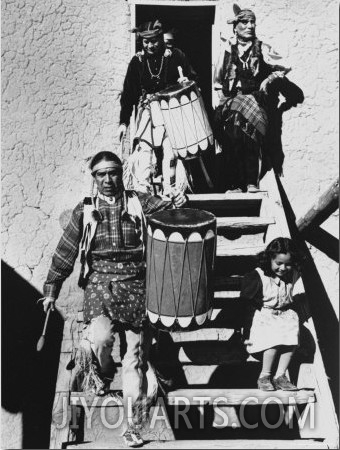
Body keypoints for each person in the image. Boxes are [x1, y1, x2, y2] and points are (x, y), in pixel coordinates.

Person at [41, 151, 187, 447]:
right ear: (93, 178)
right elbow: (65, 252)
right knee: (101, 339)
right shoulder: (84, 211)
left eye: (113, 173)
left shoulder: (139, 202)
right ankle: (103, 373)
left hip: (137, 284)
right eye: (101, 174)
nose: (108, 180)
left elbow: (169, 213)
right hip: (100, 284)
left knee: (135, 357)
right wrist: (51, 292)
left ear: (122, 174)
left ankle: (133, 426)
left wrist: (177, 204)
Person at [213, 4, 291, 193]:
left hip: (255, 102)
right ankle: (236, 185)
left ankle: (251, 182)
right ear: (236, 26)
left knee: (252, 140)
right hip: (233, 103)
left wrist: (270, 79)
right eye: (245, 22)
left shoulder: (262, 48)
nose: (250, 26)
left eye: (252, 22)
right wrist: (223, 102)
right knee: (232, 142)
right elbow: (218, 81)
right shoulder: (227, 50)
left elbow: (284, 66)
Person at [117, 20, 197, 197]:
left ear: (160, 38)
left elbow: (192, 79)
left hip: (172, 110)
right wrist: (123, 122)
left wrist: (187, 82)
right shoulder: (137, 62)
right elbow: (128, 94)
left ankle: (172, 191)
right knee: (144, 150)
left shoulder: (175, 55)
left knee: (171, 150)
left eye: (154, 41)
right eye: (146, 42)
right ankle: (142, 192)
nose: (150, 45)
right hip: (148, 111)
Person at [240, 237, 304, 391]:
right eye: (279, 263)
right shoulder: (258, 276)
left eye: (288, 264)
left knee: (291, 339)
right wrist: (244, 329)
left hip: (284, 314)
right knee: (274, 339)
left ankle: (280, 376)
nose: (283, 268)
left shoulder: (293, 273)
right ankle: (265, 376)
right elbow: (245, 302)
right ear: (269, 258)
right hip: (264, 316)